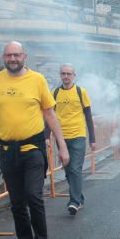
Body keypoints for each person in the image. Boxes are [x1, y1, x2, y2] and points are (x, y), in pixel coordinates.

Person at [0, 41, 70, 239]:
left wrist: (62, 147)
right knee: (16, 202)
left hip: (33, 149)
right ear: (4, 57)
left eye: (16, 55)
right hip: (7, 151)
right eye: (8, 55)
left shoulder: (37, 80)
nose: (12, 59)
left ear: (24, 56)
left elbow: (50, 115)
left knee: (34, 197)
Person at [52, 64, 96, 215]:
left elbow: (88, 116)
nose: (66, 76)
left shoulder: (80, 91)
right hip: (62, 138)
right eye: (63, 74)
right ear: (60, 75)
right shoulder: (55, 93)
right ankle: (79, 197)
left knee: (75, 168)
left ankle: (74, 201)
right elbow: (49, 117)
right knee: (68, 170)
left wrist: (92, 139)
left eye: (69, 74)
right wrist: (46, 136)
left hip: (78, 135)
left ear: (74, 75)